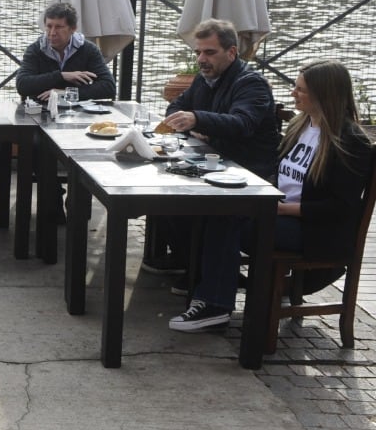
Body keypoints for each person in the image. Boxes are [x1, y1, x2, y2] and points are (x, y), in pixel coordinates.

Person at [170, 59, 372, 332]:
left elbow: (340, 207)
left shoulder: (349, 141)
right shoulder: (301, 125)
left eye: (301, 90)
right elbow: (281, 172)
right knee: (216, 207)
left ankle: (215, 306)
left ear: (324, 94)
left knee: (227, 220)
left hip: (314, 230)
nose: (293, 94)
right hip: (281, 212)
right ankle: (203, 287)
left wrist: (279, 209)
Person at [149, 18, 281, 286]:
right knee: (161, 191)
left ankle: (206, 275)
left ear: (231, 52)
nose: (201, 59)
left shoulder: (250, 83)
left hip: (248, 172)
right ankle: (189, 262)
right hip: (218, 162)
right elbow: (174, 109)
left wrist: (198, 119)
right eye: (198, 52)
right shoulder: (204, 79)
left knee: (186, 201)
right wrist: (195, 121)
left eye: (209, 52)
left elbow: (242, 123)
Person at [15, 2, 116, 102]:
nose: (52, 33)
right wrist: (62, 76)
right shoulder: (35, 50)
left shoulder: (88, 50)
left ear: (73, 29)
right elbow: (22, 85)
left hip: (77, 113)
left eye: (58, 27)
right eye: (49, 26)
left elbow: (109, 87)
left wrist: (65, 94)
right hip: (40, 111)